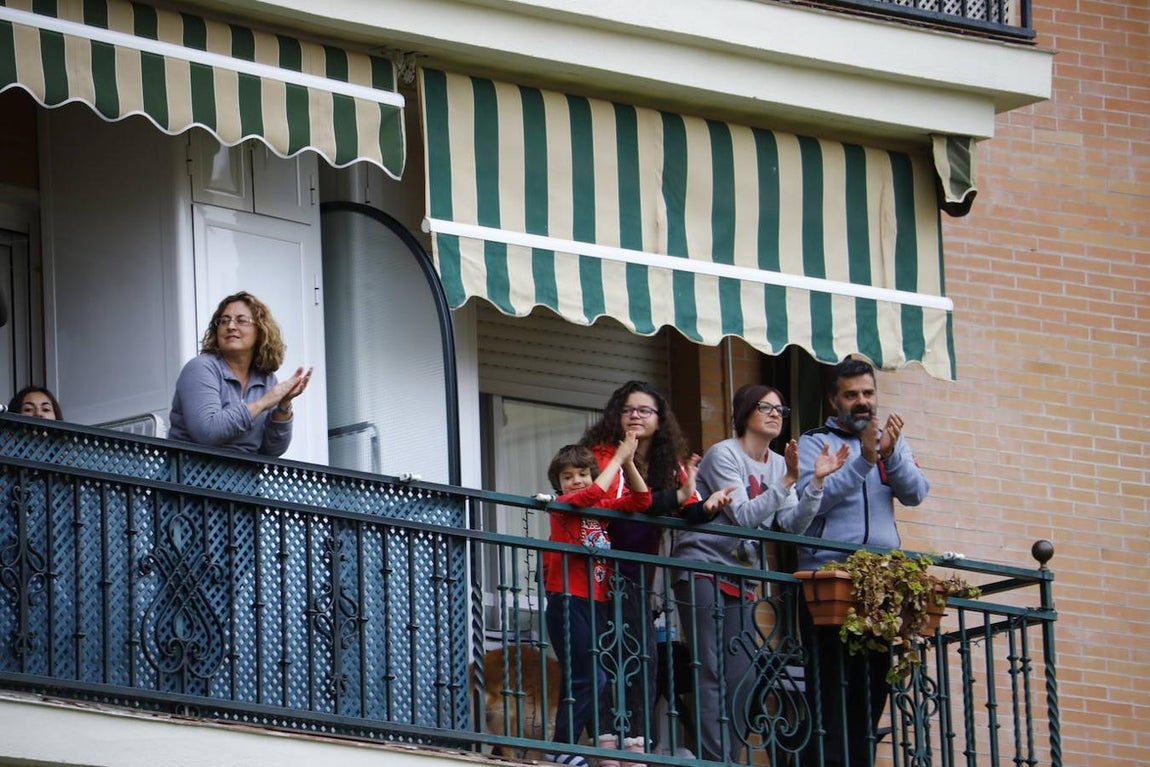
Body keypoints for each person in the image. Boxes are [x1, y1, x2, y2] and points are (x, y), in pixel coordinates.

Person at [671, 384, 848, 763]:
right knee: (710, 669)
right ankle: (716, 760)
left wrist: (814, 481)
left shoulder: (782, 464)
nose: (775, 415)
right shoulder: (724, 454)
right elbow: (746, 517)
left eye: (781, 411)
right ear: (745, 411)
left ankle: (725, 757)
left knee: (744, 677)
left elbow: (792, 526)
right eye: (766, 407)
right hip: (702, 566)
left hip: (741, 575)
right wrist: (786, 483)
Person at [579, 380, 733, 761]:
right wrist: (674, 498)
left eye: (644, 410)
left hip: (640, 574)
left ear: (659, 420)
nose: (635, 416)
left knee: (639, 658)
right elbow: (620, 502)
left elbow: (688, 508)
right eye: (628, 409)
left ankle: (633, 741)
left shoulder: (670, 465)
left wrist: (708, 504)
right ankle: (603, 740)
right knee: (603, 657)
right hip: (598, 568)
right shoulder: (600, 455)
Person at [795, 356, 930, 767]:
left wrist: (889, 456)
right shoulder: (814, 442)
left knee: (873, 683)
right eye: (851, 395)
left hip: (880, 581)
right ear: (833, 399)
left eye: (868, 393)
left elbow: (915, 493)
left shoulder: (893, 442)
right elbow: (809, 503)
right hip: (829, 577)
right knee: (831, 684)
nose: (862, 402)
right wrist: (864, 461)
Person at [542, 435, 651, 767]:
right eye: (568, 476)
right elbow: (594, 493)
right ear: (559, 486)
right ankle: (562, 745)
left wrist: (629, 461)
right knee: (591, 676)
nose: (576, 481)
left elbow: (642, 500)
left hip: (595, 602)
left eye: (582, 474)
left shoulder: (597, 510)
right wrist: (617, 458)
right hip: (566, 599)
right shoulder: (564, 507)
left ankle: (563, 746)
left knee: (586, 675)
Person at [169, 291, 311, 456]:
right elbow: (208, 432)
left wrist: (284, 405)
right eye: (224, 321)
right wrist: (263, 402)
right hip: (193, 475)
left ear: (260, 330)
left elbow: (273, 450)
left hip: (245, 478)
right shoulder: (200, 368)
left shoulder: (266, 380)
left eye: (241, 320)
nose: (230, 326)